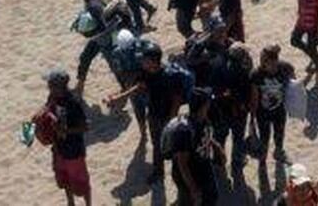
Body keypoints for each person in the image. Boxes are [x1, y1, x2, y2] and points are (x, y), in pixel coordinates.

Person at [105, 41, 186, 182]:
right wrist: (119, 98)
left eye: (144, 59)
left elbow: (177, 98)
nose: (141, 61)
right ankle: (158, 172)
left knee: (173, 146)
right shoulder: (145, 72)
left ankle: (180, 172)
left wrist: (171, 117)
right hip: (154, 115)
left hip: (168, 116)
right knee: (157, 145)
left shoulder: (169, 75)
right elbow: (138, 87)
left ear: (153, 62)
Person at [36, 69, 91, 206]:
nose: (48, 86)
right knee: (64, 178)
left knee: (81, 183)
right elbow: (48, 107)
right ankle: (70, 202)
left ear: (58, 86)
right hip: (58, 148)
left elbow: (85, 127)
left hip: (74, 152)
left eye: (49, 84)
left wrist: (65, 130)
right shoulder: (52, 97)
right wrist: (40, 115)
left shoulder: (74, 103)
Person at [164, 88, 221, 205]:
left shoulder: (202, 119)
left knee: (212, 198)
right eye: (208, 102)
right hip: (191, 176)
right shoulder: (184, 131)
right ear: (203, 106)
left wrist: (216, 147)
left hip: (204, 167)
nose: (210, 104)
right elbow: (182, 164)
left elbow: (206, 137)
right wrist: (194, 190)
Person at [248, 44, 294, 170]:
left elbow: (292, 73)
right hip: (263, 113)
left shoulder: (283, 68)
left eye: (274, 63)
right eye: (268, 63)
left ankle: (278, 153)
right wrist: (252, 117)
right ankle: (262, 160)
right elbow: (254, 98)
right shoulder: (256, 75)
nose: (272, 67)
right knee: (264, 137)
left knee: (279, 133)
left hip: (279, 109)